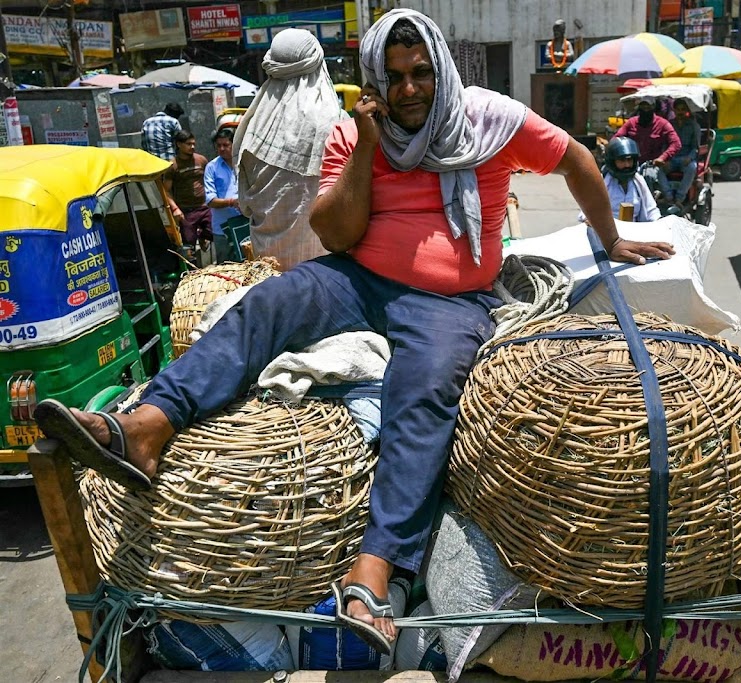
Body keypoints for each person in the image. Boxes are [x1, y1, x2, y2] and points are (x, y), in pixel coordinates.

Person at [34, 8, 674, 654]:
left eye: (421, 72)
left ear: (440, 70)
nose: (409, 88)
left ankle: (374, 569)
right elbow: (336, 233)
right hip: (357, 279)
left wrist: (612, 239)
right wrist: (369, 147)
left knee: (423, 388)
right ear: (374, 78)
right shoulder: (354, 134)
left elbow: (578, 161)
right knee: (269, 302)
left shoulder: (488, 120)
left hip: (448, 301)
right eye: (394, 76)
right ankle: (149, 425)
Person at [235, 28, 336, 271]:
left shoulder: (253, 126)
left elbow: (246, 205)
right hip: (324, 273)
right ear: (317, 65)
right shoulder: (334, 123)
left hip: (268, 274)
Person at [613, 99, 680, 204]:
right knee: (609, 172)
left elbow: (676, 143)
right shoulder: (631, 122)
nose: (645, 110)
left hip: (652, 164)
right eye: (643, 107)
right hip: (631, 162)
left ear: (653, 108)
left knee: (648, 176)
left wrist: (662, 158)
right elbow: (617, 138)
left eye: (648, 107)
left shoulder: (663, 124)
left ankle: (650, 203)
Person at [580, 136, 659, 223]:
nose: (627, 165)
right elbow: (586, 212)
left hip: (635, 232)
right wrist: (589, 220)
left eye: (629, 160)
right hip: (608, 233)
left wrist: (658, 221)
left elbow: (651, 210)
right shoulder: (601, 182)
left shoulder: (639, 182)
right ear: (612, 161)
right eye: (622, 160)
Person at [165, 130, 212, 256]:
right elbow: (166, 190)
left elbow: (210, 180)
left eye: (193, 144)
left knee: (214, 233)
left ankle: (202, 236)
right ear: (179, 144)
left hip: (205, 206)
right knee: (188, 246)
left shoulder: (201, 160)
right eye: (188, 144)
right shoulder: (173, 165)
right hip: (186, 210)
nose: (192, 147)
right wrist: (175, 208)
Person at [204, 128, 242, 263]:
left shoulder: (243, 163)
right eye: (218, 146)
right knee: (226, 267)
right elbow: (210, 200)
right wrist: (232, 202)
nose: (221, 148)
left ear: (234, 144)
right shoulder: (212, 167)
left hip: (244, 223)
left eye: (226, 145)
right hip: (223, 228)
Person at [668, 98, 702, 203]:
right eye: (678, 109)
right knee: (655, 170)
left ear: (687, 110)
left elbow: (695, 147)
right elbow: (665, 144)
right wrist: (665, 158)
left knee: (692, 167)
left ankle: (679, 198)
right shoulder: (669, 125)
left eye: (683, 109)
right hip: (672, 158)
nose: (680, 112)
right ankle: (667, 196)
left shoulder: (693, 125)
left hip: (686, 158)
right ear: (674, 110)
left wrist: (690, 157)